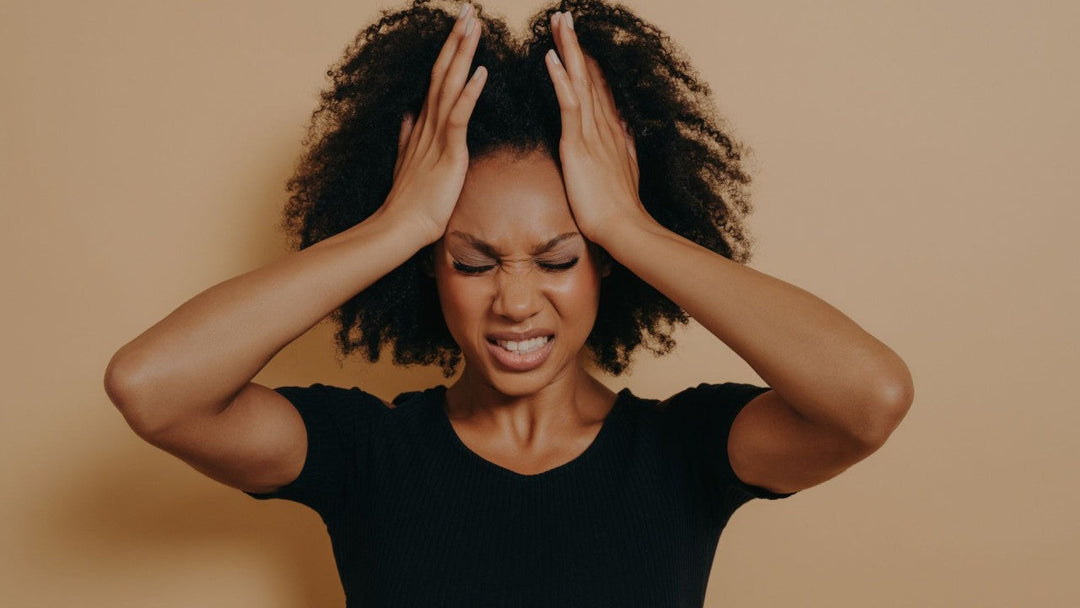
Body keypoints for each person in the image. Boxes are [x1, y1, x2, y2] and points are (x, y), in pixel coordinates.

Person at [104, 1, 914, 605]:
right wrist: (400, 222)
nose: (516, 301)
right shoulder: (367, 454)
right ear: (431, 269)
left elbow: (869, 398)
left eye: (560, 258)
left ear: (606, 266)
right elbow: (152, 388)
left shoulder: (683, 455)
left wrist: (629, 224)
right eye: (472, 260)